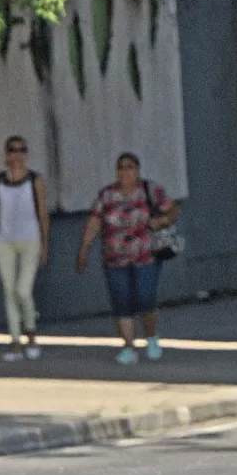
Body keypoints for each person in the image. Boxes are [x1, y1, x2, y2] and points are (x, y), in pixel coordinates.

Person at [76, 152, 180, 365]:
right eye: (121, 167)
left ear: (138, 170)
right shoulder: (107, 195)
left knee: (145, 297)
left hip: (146, 257)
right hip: (115, 259)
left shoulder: (150, 190)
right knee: (121, 302)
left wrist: (160, 221)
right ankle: (128, 347)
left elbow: (172, 211)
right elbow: (95, 222)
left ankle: (151, 337)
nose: (125, 172)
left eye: (130, 167)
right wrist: (84, 248)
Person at [0, 135, 49, 362]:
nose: (17, 155)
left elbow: (43, 214)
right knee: (9, 290)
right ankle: (15, 341)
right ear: (6, 154)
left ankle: (31, 334)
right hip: (4, 240)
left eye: (22, 150)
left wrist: (45, 244)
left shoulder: (35, 180)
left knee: (23, 290)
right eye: (13, 150)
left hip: (30, 239)